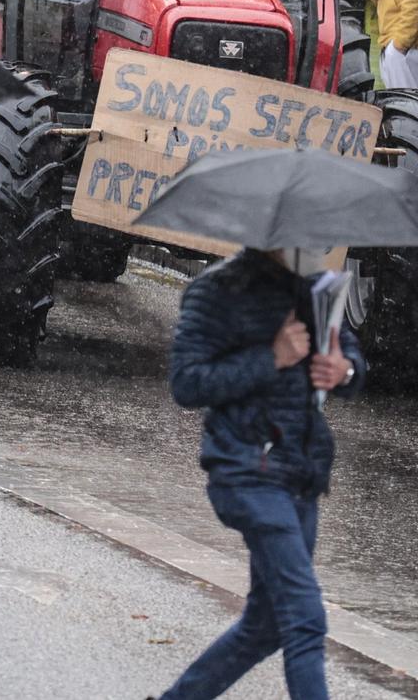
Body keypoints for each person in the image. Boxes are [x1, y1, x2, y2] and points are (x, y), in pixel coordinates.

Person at [152, 245, 365, 700]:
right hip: (246, 470)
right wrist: (271, 358)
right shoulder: (216, 291)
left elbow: (347, 354)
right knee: (305, 618)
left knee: (266, 624)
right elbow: (187, 383)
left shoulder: (314, 285)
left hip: (301, 473)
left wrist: (343, 370)